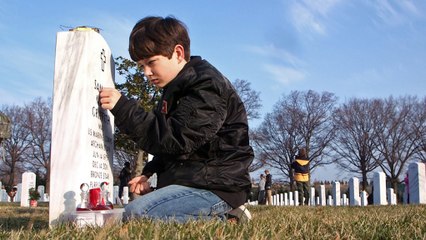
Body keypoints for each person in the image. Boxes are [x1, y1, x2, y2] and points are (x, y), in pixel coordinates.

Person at [99, 16, 253, 223]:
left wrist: (123, 108)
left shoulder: (206, 85)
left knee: (137, 214)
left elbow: (177, 139)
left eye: (151, 62)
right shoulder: (175, 89)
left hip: (216, 186)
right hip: (194, 182)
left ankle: (229, 219)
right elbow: (176, 147)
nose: (146, 72)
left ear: (178, 53)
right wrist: (149, 172)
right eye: (141, 66)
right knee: (133, 212)